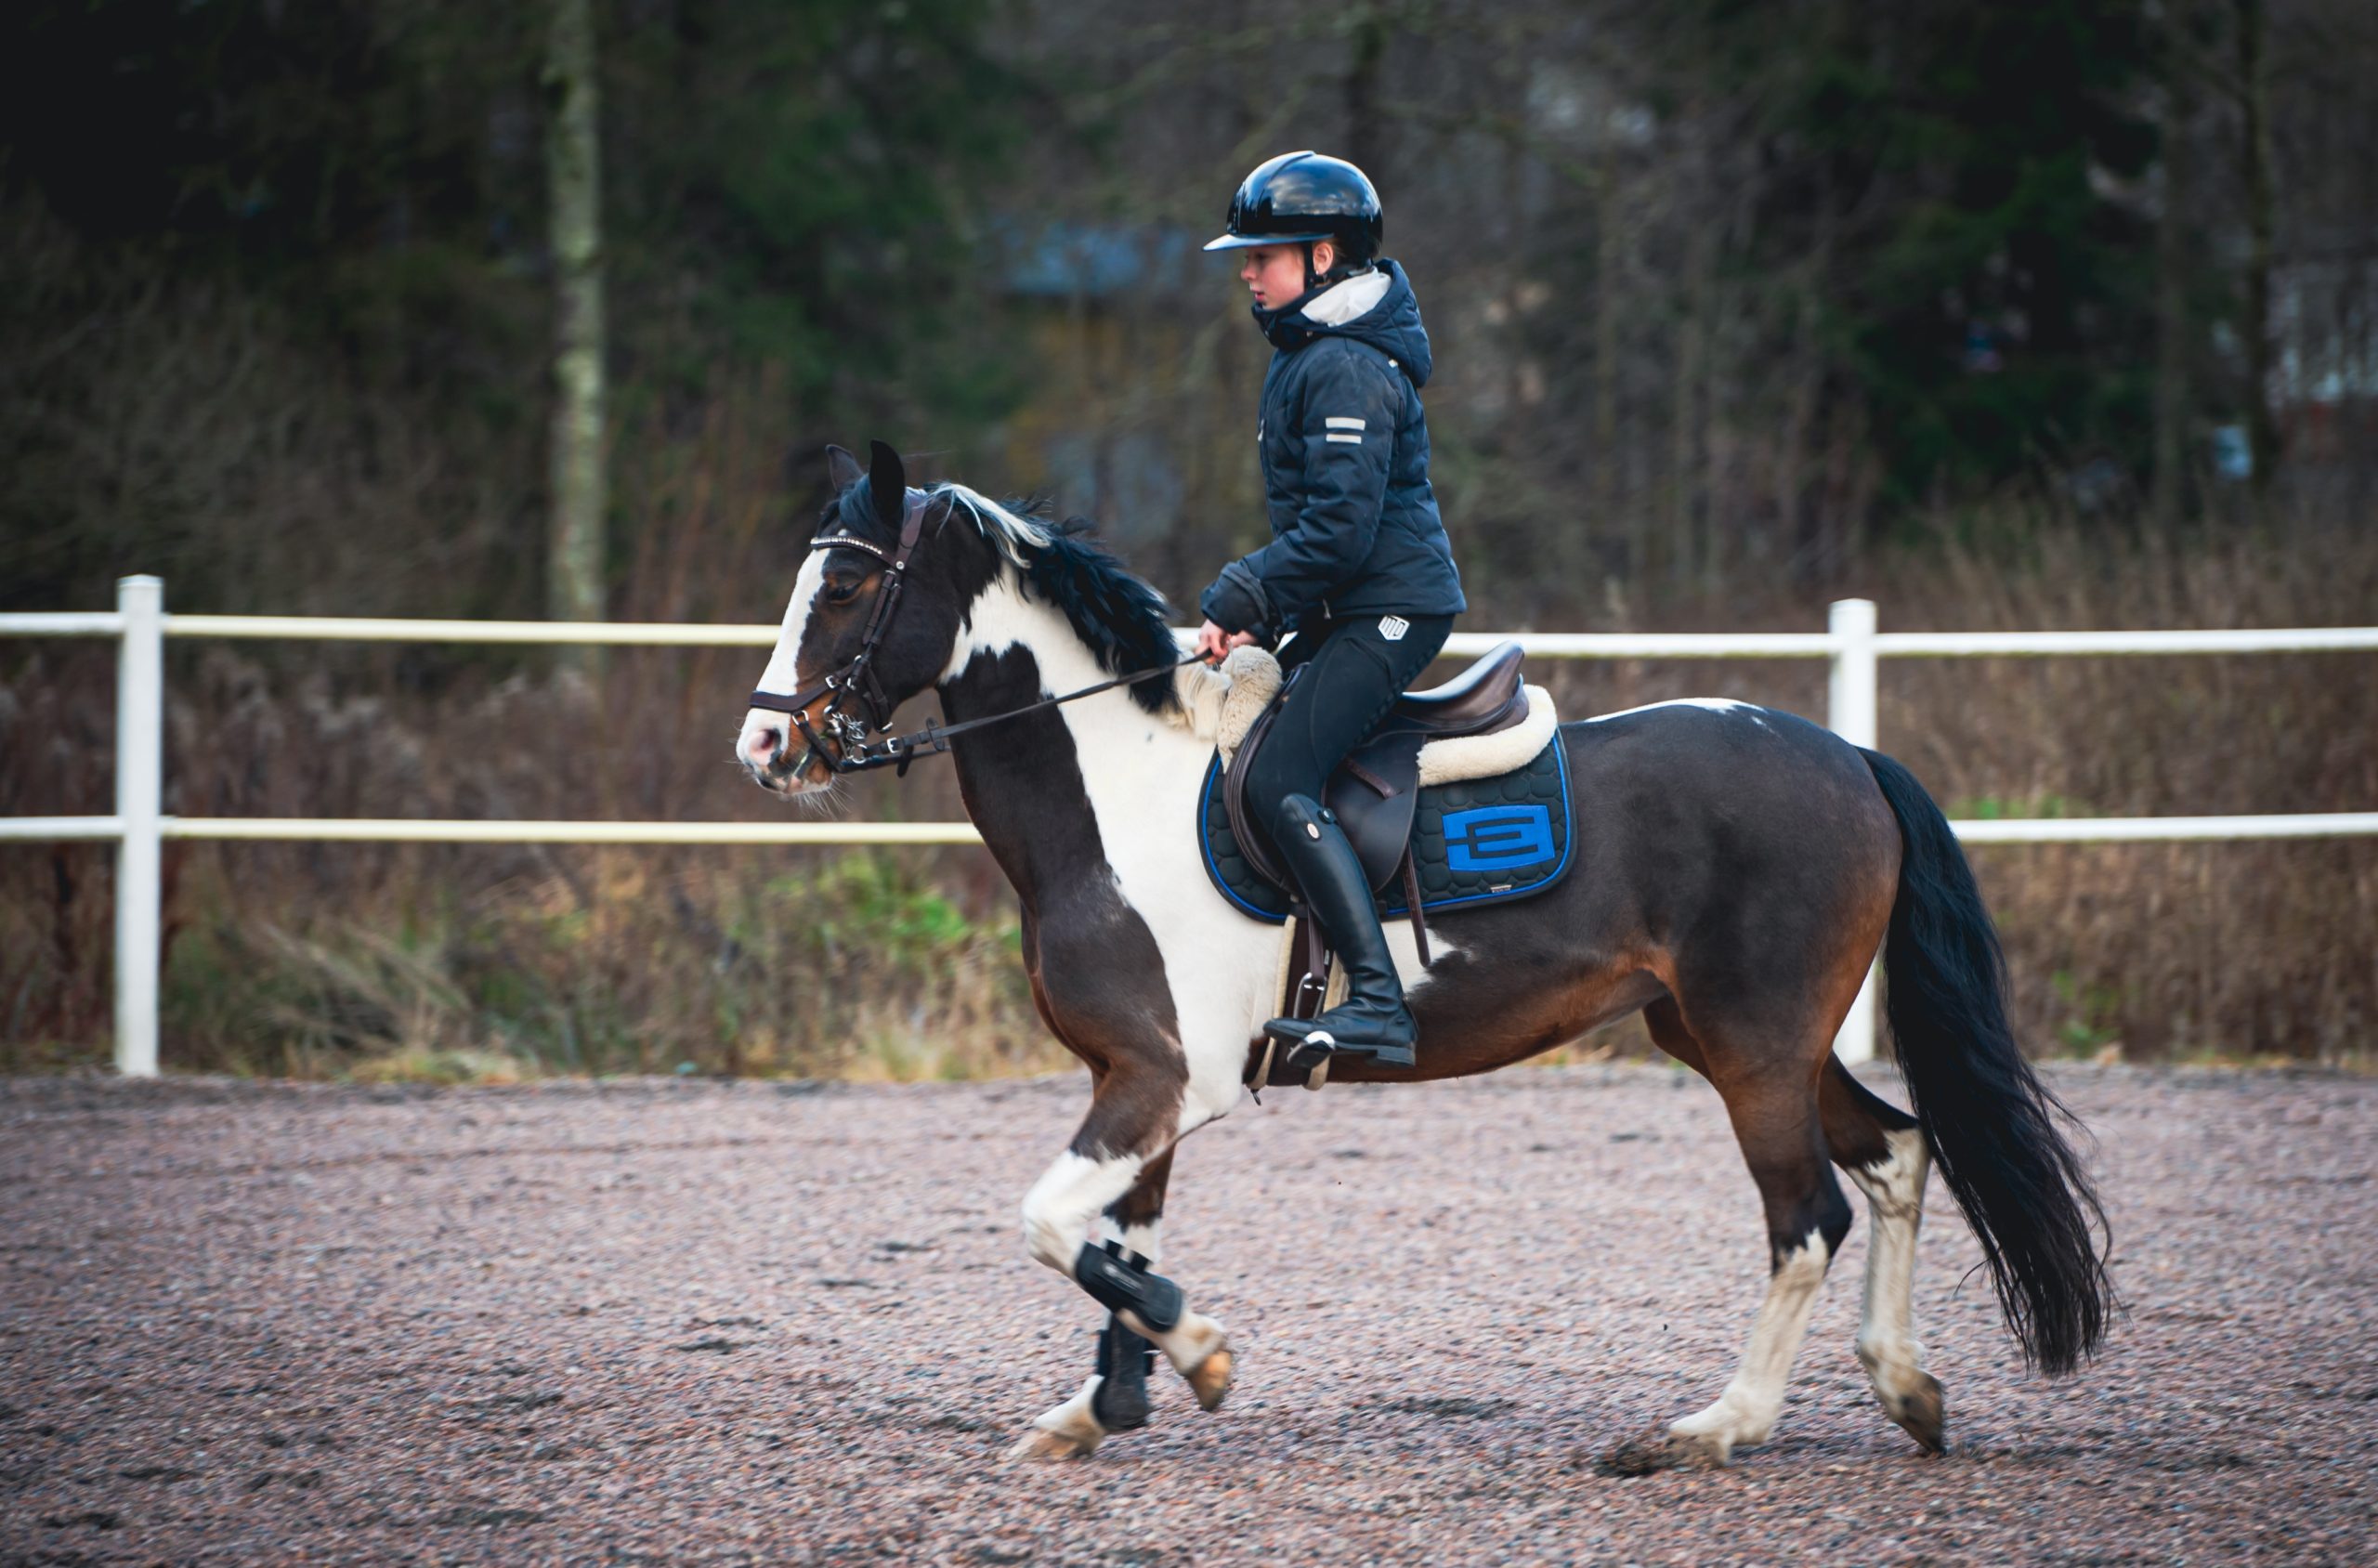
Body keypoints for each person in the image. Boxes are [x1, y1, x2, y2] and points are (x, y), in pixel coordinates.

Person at [1194, 150, 1467, 1072]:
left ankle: (1381, 1006)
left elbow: (1341, 533)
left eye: (1260, 255)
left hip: (1391, 607)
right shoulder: (1312, 355)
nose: (1244, 270)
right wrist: (1259, 614)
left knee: (1279, 781)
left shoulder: (1344, 365)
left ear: (1320, 257)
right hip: (1358, 601)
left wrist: (1246, 590)